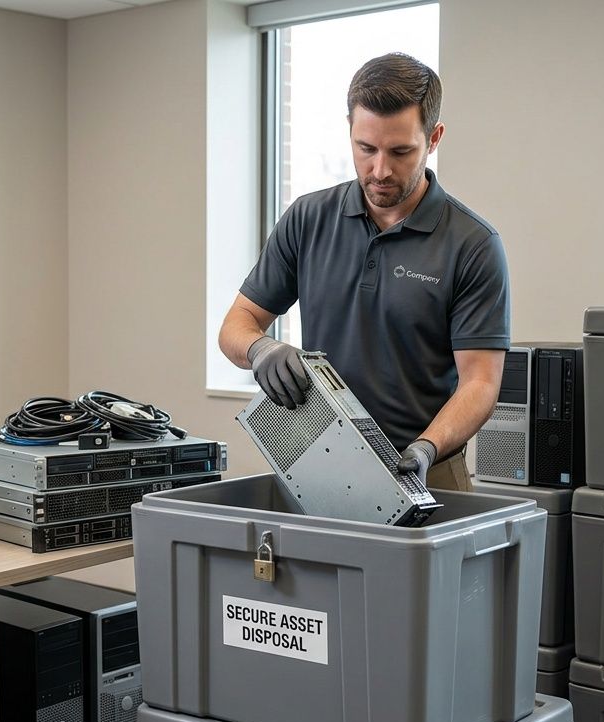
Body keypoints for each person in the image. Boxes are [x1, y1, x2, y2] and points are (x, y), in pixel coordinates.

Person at [217, 52, 509, 493]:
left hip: (428, 472)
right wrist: (261, 350)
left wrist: (426, 448)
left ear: (434, 138)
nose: (380, 170)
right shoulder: (308, 218)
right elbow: (237, 324)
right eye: (366, 148)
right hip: (321, 467)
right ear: (350, 130)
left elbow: (481, 382)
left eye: (400, 151)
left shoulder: (473, 244)